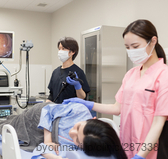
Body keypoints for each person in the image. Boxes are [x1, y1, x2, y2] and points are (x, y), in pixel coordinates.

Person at [63, 19, 168, 159]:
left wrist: (141, 156)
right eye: (127, 47)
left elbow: (157, 123)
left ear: (153, 41)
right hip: (126, 145)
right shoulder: (131, 74)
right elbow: (117, 108)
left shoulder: (164, 75)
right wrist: (88, 104)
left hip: (150, 150)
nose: (131, 51)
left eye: (135, 46)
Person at [0, 102, 126, 159]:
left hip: (38, 137)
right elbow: (47, 111)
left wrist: (54, 157)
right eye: (78, 127)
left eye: (77, 139)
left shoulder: (75, 148)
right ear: (93, 118)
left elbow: (40, 149)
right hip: (38, 115)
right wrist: (48, 140)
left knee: (17, 138)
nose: (72, 133)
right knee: (3, 127)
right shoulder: (80, 110)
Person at [46, 37, 90, 103]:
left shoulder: (78, 72)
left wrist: (77, 86)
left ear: (72, 52)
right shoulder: (55, 72)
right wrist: (46, 106)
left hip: (71, 111)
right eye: (59, 49)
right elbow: (51, 94)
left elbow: (82, 97)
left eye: (63, 48)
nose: (60, 51)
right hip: (56, 111)